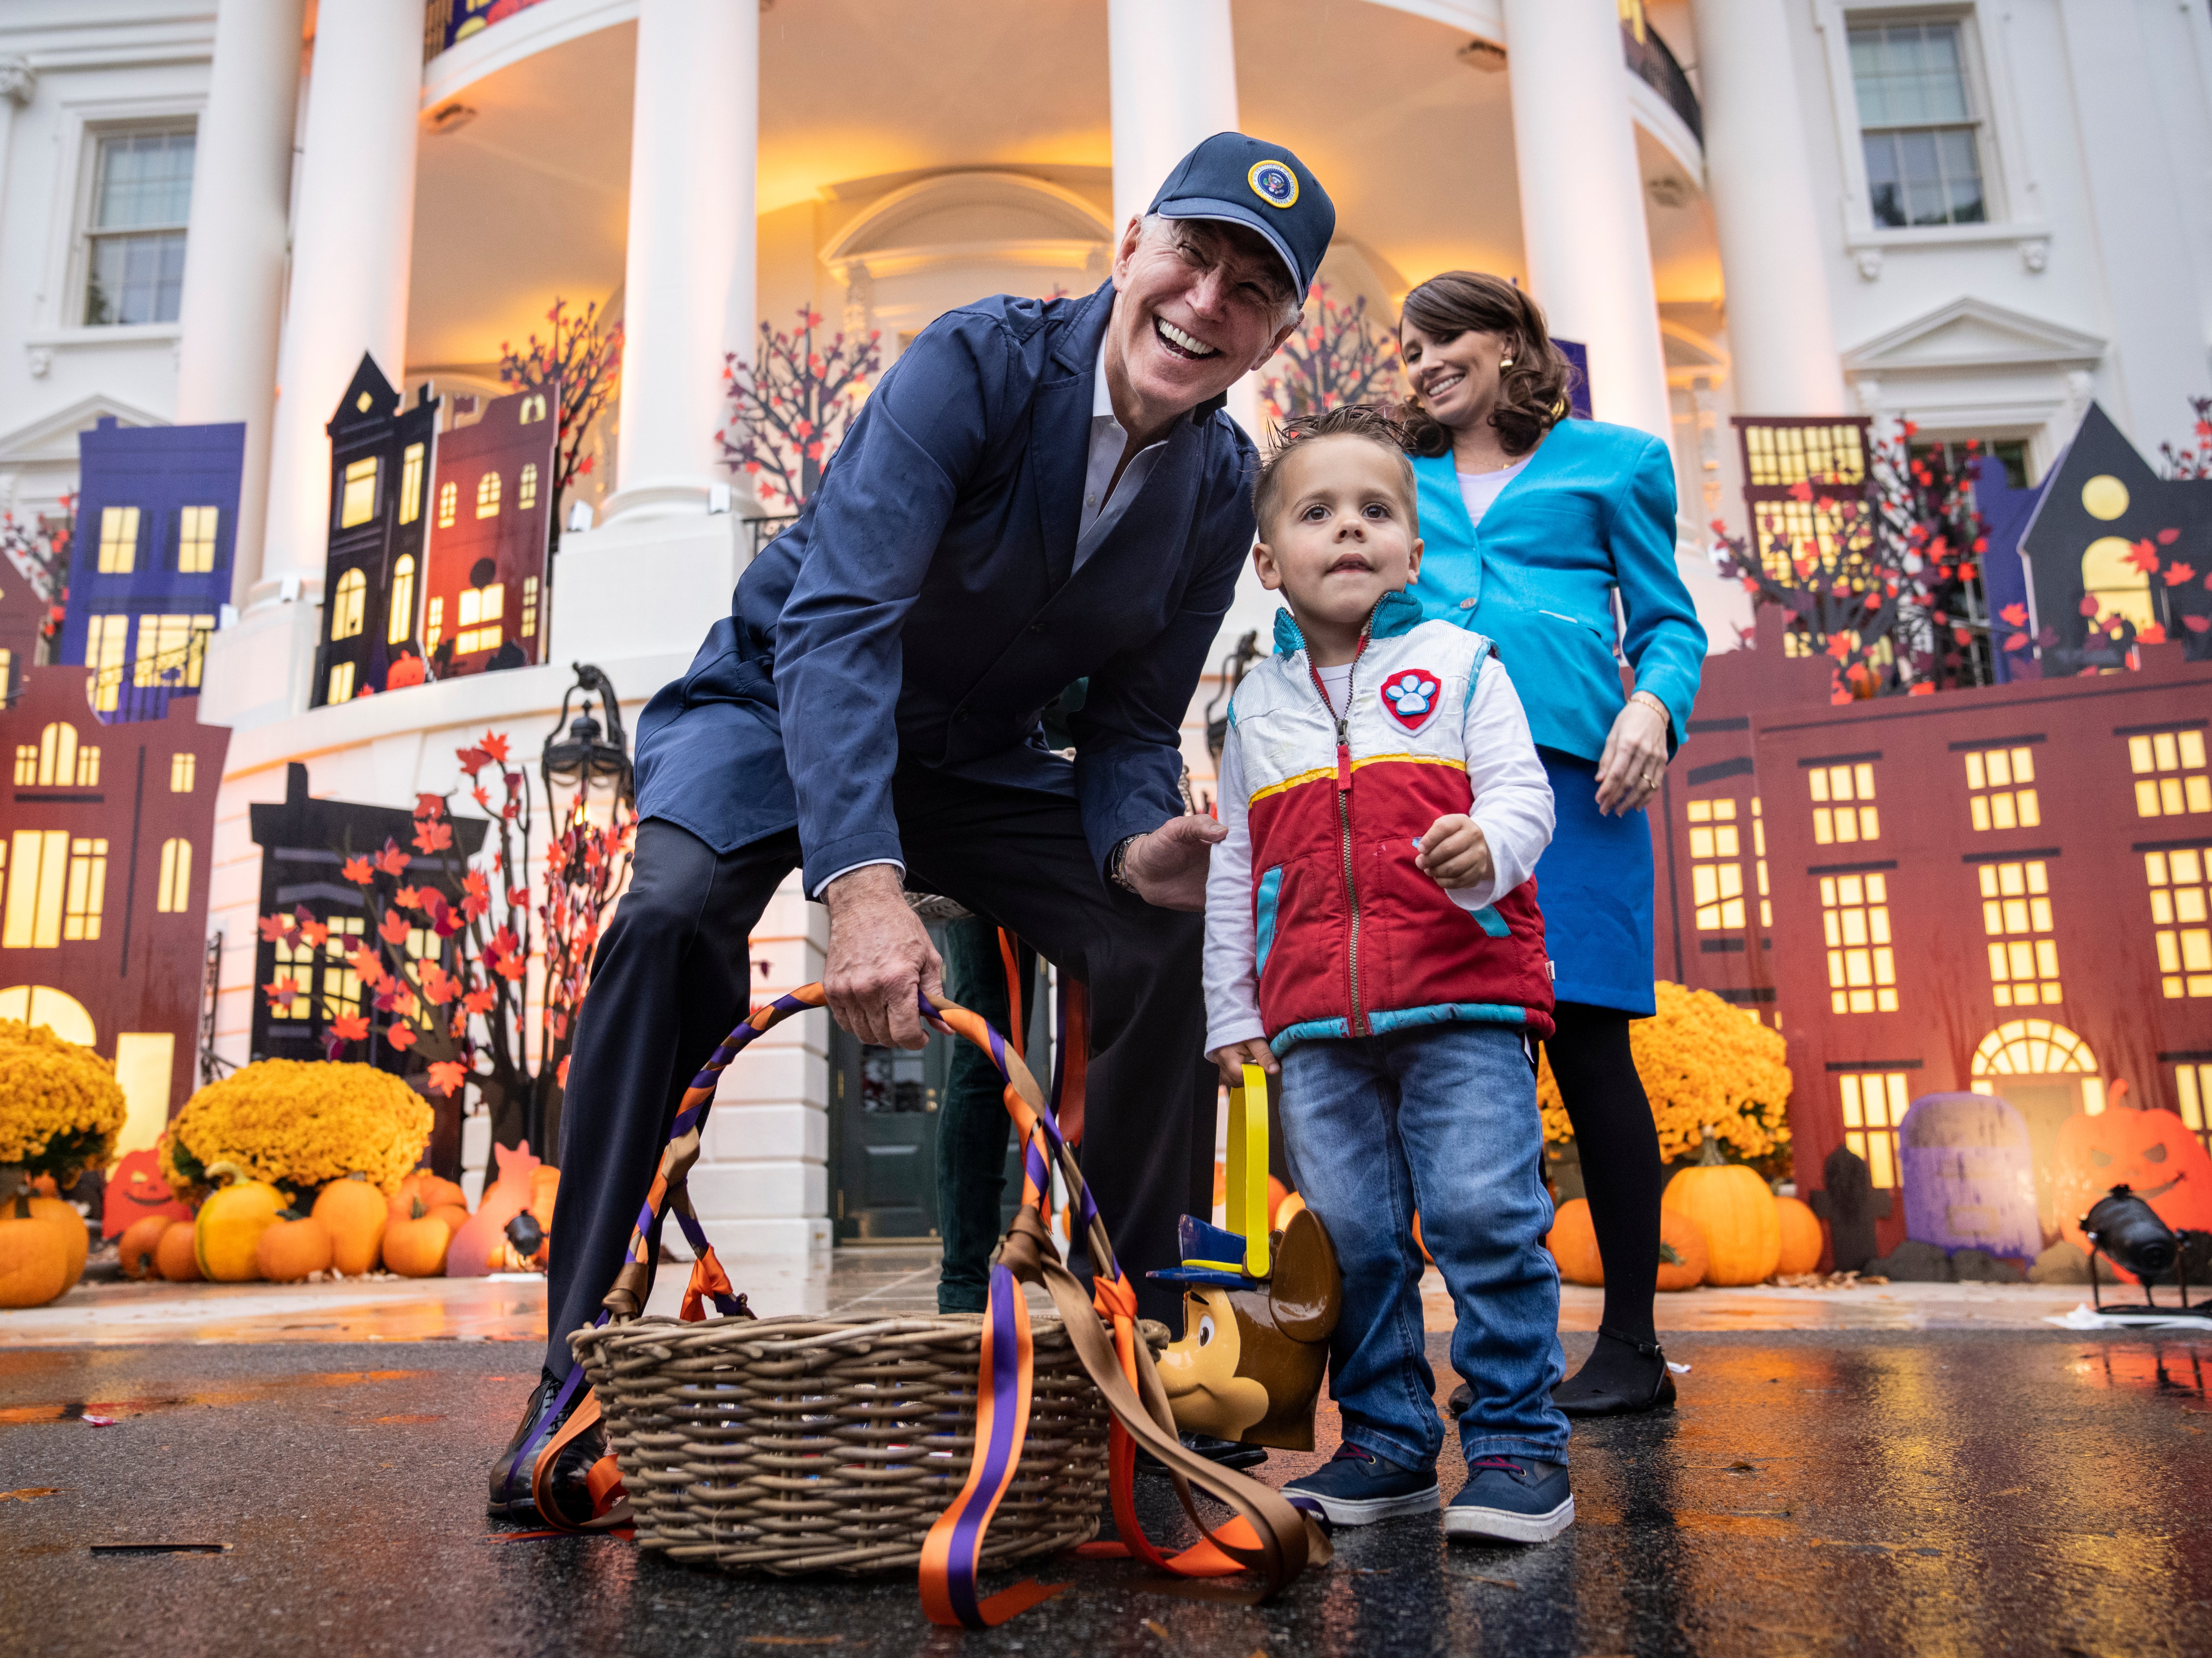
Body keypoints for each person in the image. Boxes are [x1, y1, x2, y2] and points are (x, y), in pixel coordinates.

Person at [488, 133, 1338, 1527]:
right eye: (1193, 252)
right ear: (1132, 243)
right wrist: (863, 887)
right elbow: (840, 618)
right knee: (666, 912)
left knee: (1158, 940)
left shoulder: (1209, 491)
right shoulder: (977, 362)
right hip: (776, 698)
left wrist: (1138, 848)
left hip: (973, 756)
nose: (1206, 301)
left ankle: (1123, 1369)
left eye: (1252, 290)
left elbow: (1126, 728)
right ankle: (583, 1365)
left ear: (1273, 335)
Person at [1203, 404, 1572, 1545]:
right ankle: (1387, 1444)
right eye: (1318, 513)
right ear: (1269, 562)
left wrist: (1488, 847)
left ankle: (1516, 1449)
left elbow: (1525, 798)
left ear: (1415, 550)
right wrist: (1232, 1009)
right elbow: (1232, 872)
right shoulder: (1249, 708)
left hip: (1461, 1001)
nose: (1350, 530)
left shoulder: (1461, 667)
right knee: (1353, 1236)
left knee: (1480, 1214)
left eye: (1377, 511)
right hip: (1312, 1025)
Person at [1396, 272, 1705, 1416]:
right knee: (1473, 1060)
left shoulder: (1616, 462)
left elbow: (1668, 621)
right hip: (1436, 787)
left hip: (1582, 782)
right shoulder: (1397, 479)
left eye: (1443, 339)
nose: (1422, 362)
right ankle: (1501, 1350)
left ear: (1512, 343)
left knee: (1588, 1049)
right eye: (1407, 349)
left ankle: (1629, 1346)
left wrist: (1654, 707)